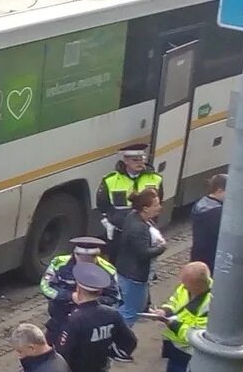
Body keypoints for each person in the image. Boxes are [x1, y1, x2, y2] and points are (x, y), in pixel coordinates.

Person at [189, 173, 243, 339]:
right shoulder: (217, 212)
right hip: (219, 259)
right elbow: (235, 234)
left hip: (204, 257)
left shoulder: (202, 205)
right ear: (219, 190)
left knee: (203, 291)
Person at [144, 261, 212, 372]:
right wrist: (164, 311)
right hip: (176, 349)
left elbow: (196, 335)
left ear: (196, 285)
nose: (182, 285)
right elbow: (175, 300)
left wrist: (173, 324)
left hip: (190, 354)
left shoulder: (211, 304)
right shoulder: (187, 287)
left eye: (186, 283)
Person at [41, 236, 119, 344]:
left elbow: (115, 297)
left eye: (90, 259)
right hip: (60, 318)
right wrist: (70, 296)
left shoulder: (108, 270)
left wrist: (91, 300)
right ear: (75, 254)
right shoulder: (59, 263)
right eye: (82, 258)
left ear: (96, 256)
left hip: (90, 322)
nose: (85, 263)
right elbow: (45, 287)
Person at [107, 188, 167, 324]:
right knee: (131, 312)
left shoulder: (133, 216)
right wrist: (161, 248)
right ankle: (120, 338)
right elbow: (143, 253)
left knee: (123, 306)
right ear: (145, 208)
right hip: (134, 277)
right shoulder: (139, 228)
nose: (160, 207)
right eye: (156, 205)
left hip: (125, 271)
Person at [99, 143, 163, 239]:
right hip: (119, 231)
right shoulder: (110, 180)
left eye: (142, 159)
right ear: (126, 161)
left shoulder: (155, 178)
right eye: (135, 160)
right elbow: (103, 205)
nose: (139, 163)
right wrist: (110, 221)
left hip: (145, 230)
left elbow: (158, 201)